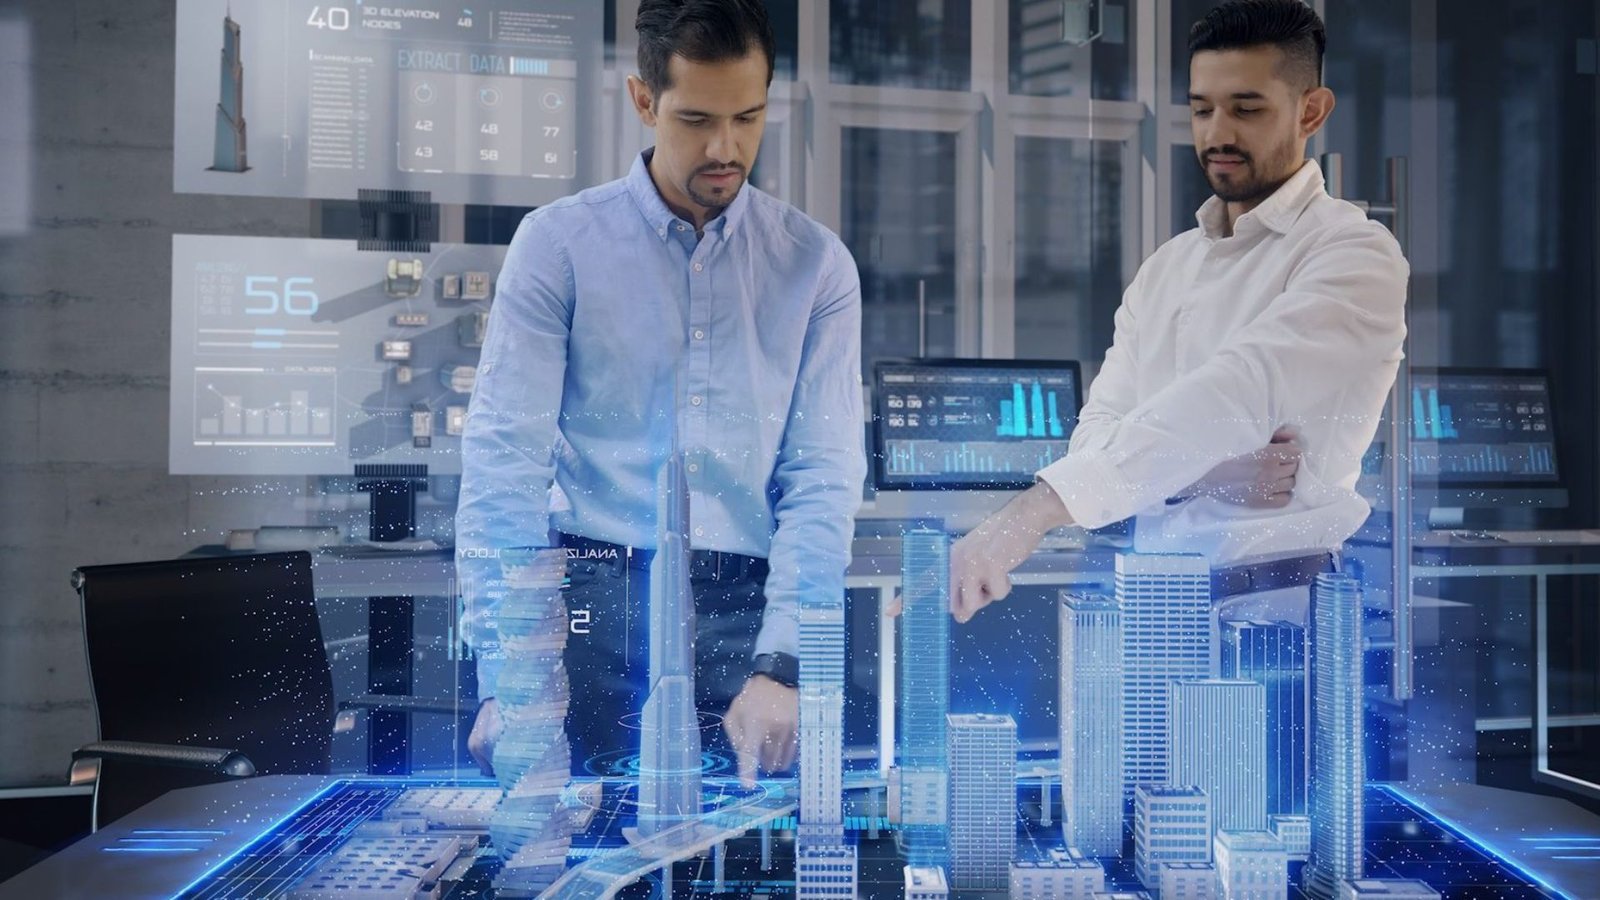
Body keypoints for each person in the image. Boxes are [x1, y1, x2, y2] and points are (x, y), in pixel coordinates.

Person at [455, 0, 865, 786]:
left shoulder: (817, 266)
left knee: (750, 860)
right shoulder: (558, 246)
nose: (725, 147)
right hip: (590, 607)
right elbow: (506, 462)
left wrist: (784, 664)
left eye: (748, 117)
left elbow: (821, 477)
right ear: (644, 101)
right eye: (696, 119)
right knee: (578, 854)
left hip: (749, 616)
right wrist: (510, 680)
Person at [948, 0, 1407, 625]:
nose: (1218, 133)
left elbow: (1241, 387)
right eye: (1201, 109)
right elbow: (1097, 431)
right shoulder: (1168, 267)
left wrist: (1035, 511)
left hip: (1281, 618)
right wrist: (1204, 476)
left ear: (1311, 111)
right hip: (1148, 609)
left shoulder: (1355, 255)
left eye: (1246, 109)